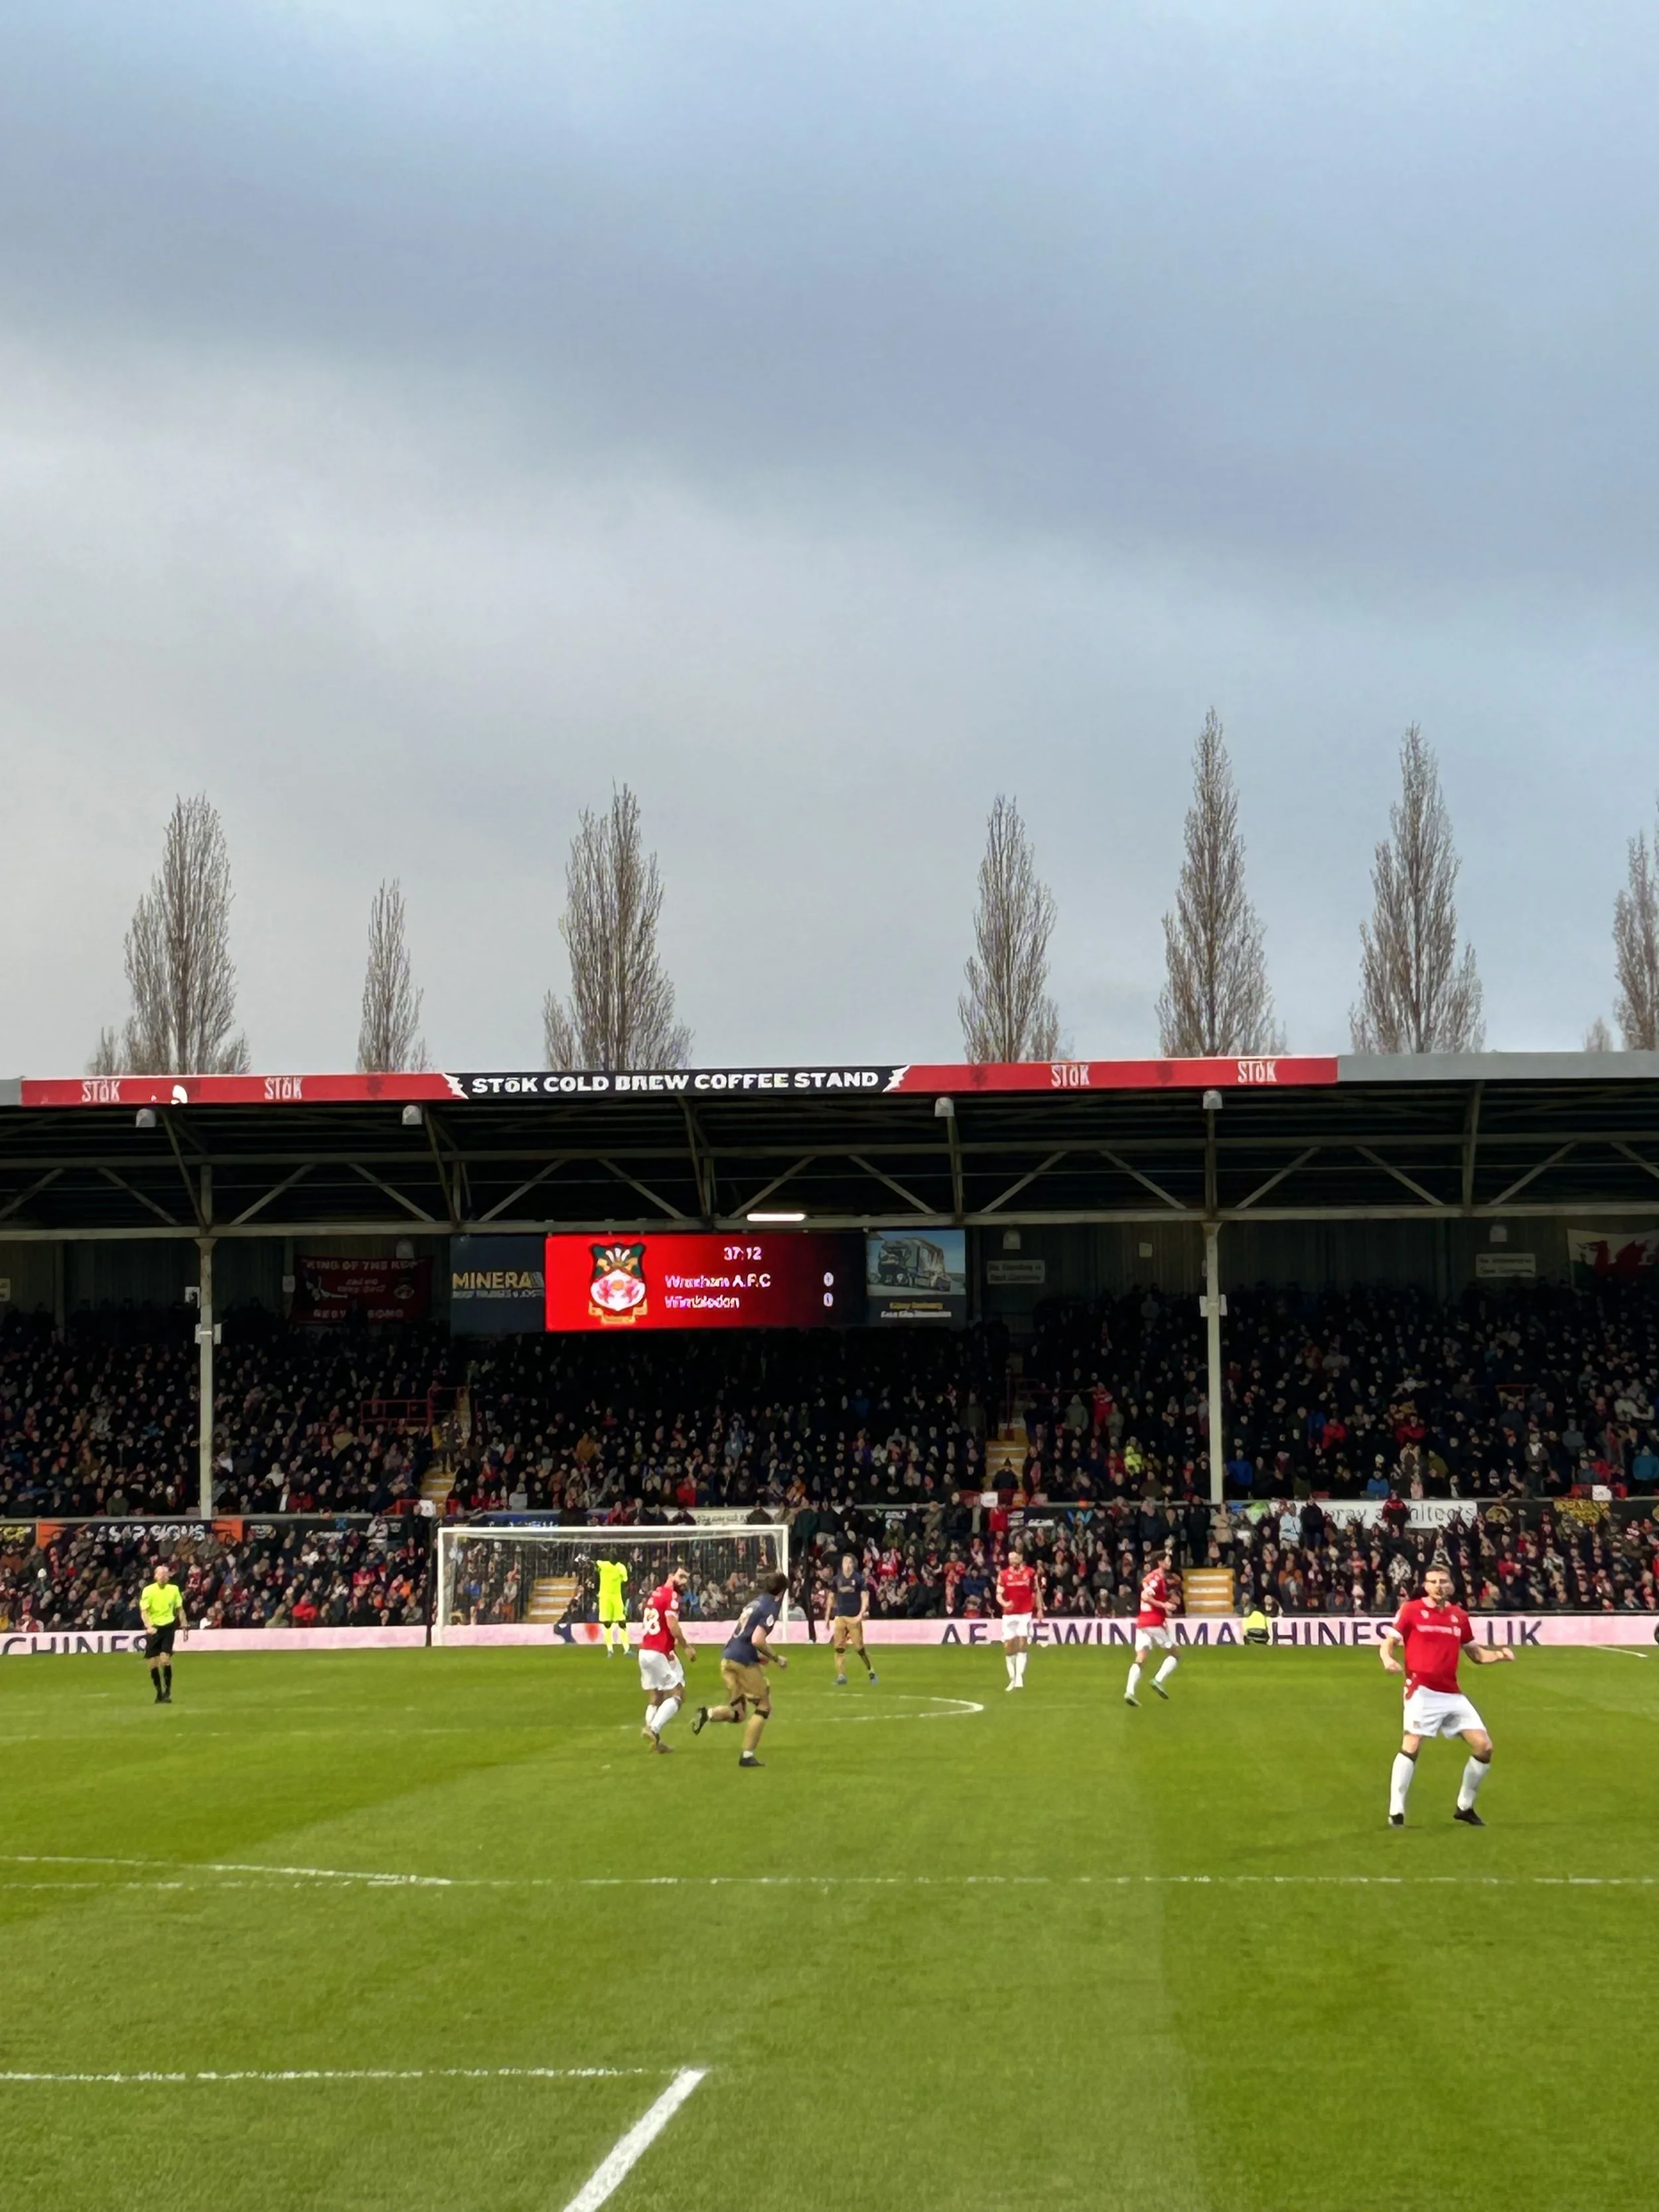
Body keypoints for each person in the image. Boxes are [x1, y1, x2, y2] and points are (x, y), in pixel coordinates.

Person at [1380, 1559, 1514, 1826]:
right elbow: (1389, 1642)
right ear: (1425, 1585)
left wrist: (1500, 1655)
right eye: (1433, 1582)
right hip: (1421, 1690)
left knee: (1484, 1747)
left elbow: (1475, 1653)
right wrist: (1387, 1659)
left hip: (1452, 1693)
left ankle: (1464, 1807)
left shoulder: (1459, 1616)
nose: (1438, 1586)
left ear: (1451, 1585)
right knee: (1412, 1743)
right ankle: (1396, 1811)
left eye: (1443, 1581)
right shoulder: (1411, 1610)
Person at [694, 1570, 789, 1767]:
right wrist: (776, 1657)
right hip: (742, 1661)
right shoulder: (770, 1607)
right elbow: (757, 1639)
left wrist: (759, 1658)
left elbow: (745, 1636)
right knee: (764, 1707)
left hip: (728, 1658)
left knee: (739, 1714)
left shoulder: (754, 1603)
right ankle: (747, 1755)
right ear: (781, 1593)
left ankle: (708, 1714)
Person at [637, 1564, 695, 1754]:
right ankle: (653, 1729)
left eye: (686, 1578)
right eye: (681, 1576)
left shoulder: (655, 1593)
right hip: (658, 1652)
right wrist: (686, 1646)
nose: (684, 1582)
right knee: (677, 1694)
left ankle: (655, 1743)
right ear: (671, 1575)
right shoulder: (672, 1596)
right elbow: (672, 1624)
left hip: (644, 1651)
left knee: (656, 1697)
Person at [1125, 1554, 1179, 1706]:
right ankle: (1158, 1680)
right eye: (1168, 1560)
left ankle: (1130, 1691)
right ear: (1161, 1562)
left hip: (1143, 1622)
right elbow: (1145, 1596)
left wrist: (1165, 1603)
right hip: (1154, 1622)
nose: (1170, 1562)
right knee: (1175, 1654)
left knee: (1140, 1659)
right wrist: (1165, 1606)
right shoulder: (1156, 1578)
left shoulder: (1154, 1577)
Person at [824, 1551, 877, 1688]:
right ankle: (841, 1676)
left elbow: (865, 1596)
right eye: (844, 1562)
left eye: (849, 1562)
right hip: (840, 1617)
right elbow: (831, 1597)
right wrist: (827, 1616)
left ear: (853, 1564)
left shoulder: (859, 1579)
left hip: (854, 1617)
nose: (846, 1565)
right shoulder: (837, 1580)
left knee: (859, 1648)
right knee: (839, 1648)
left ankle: (871, 1671)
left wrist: (861, 1613)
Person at [139, 1560, 187, 1704]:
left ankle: (167, 1691)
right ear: (155, 1576)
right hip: (154, 1628)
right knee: (153, 1663)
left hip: (168, 1627)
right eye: (160, 1575)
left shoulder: (174, 1590)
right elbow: (144, 1611)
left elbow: (180, 1609)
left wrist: (184, 1624)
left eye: (165, 1575)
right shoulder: (148, 1591)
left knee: (165, 1659)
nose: (163, 1577)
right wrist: (148, 1626)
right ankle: (159, 1692)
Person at [996, 1542, 1041, 1692]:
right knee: (1009, 1647)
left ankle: (1019, 1677)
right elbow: (998, 1595)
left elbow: (1036, 1591)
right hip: (1009, 1615)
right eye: (1010, 1559)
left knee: (1022, 1642)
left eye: (1014, 1558)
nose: (1012, 1561)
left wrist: (1039, 1609)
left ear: (1020, 1558)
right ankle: (1012, 1677)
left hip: (1025, 1613)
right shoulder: (1003, 1575)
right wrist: (1005, 1602)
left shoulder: (1030, 1572)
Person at [596, 1554, 630, 1655]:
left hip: (615, 1597)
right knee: (607, 1623)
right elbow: (625, 1580)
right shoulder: (605, 1565)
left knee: (621, 1622)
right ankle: (610, 1649)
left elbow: (625, 1579)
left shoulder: (619, 1567)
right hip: (606, 1597)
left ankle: (626, 1648)